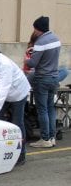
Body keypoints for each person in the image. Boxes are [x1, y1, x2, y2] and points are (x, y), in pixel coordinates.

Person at [24, 16, 61, 148]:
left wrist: (26, 58)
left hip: (42, 78)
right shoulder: (56, 39)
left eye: (35, 29)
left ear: (39, 29)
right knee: (51, 108)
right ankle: (52, 137)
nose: (34, 31)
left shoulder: (40, 42)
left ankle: (45, 138)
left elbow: (33, 63)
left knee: (42, 109)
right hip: (54, 78)